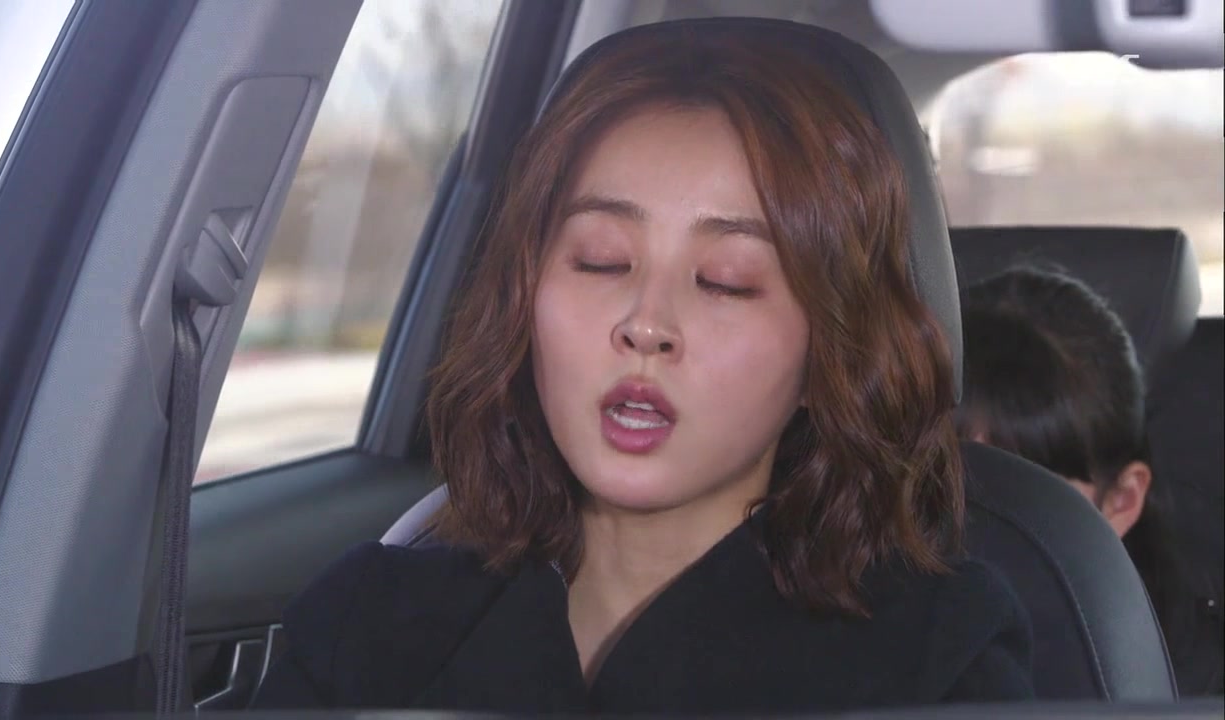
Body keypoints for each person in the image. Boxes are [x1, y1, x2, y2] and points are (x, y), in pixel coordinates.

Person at [251, 22, 1033, 714]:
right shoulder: (368, 625)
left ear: (828, 351)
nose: (647, 324)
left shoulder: (936, 659)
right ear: (524, 300)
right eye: (601, 261)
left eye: (727, 280)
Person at [957, 265, 1224, 696]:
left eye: (1023, 496)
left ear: (1121, 500)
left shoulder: (1198, 688)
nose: (973, 524)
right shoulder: (864, 642)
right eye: (941, 482)